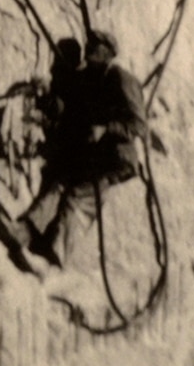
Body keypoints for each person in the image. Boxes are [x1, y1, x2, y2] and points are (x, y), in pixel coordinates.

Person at [12, 29, 150, 265]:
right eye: (88, 48)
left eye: (93, 49)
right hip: (94, 156)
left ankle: (54, 259)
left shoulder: (121, 79)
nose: (87, 53)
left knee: (78, 198)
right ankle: (26, 230)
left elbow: (139, 126)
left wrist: (107, 129)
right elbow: (68, 109)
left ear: (107, 54)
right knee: (60, 184)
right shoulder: (89, 80)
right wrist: (45, 96)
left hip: (117, 158)